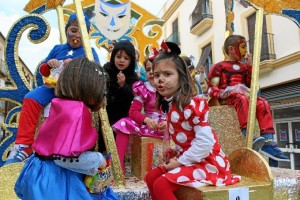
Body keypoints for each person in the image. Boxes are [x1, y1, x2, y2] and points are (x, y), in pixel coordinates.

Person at [145, 44, 240, 200]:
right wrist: (175, 149)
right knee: (150, 177)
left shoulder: (191, 105)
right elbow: (187, 137)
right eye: (156, 75)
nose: (160, 79)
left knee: (161, 184)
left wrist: (179, 161)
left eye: (167, 74)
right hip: (192, 158)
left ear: (181, 78)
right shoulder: (172, 104)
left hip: (208, 164)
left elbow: (205, 143)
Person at [14, 58, 118, 200]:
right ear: (88, 87)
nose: (103, 95)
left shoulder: (62, 105)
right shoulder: (77, 111)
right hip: (53, 179)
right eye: (102, 91)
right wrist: (98, 160)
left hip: (40, 172)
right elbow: (63, 158)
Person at [5, 12, 100, 165]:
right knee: (30, 97)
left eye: (81, 32)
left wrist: (75, 65)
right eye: (73, 30)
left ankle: (67, 148)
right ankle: (24, 145)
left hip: (74, 92)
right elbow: (44, 70)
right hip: (52, 87)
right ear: (67, 30)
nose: (76, 35)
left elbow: (95, 72)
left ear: (87, 35)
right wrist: (49, 64)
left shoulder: (89, 51)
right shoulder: (58, 48)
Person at [207, 34, 289, 166]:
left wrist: (250, 67)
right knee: (241, 99)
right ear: (232, 49)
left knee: (262, 102)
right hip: (228, 99)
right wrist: (223, 93)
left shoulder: (244, 67)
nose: (246, 50)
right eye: (243, 47)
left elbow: (251, 85)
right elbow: (211, 88)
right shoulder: (218, 66)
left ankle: (268, 140)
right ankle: (248, 136)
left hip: (243, 96)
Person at [112, 55, 166, 172]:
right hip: (148, 125)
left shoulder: (170, 88)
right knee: (123, 124)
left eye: (155, 69)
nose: (151, 73)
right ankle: (118, 166)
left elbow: (178, 113)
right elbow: (133, 112)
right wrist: (146, 120)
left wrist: (168, 123)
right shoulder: (143, 88)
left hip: (167, 127)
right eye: (147, 70)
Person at [104, 40, 139, 127]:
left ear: (131, 60)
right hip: (105, 114)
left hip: (121, 117)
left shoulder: (132, 77)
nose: (121, 60)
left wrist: (123, 86)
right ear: (113, 56)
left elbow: (132, 96)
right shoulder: (107, 69)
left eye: (126, 58)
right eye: (118, 57)